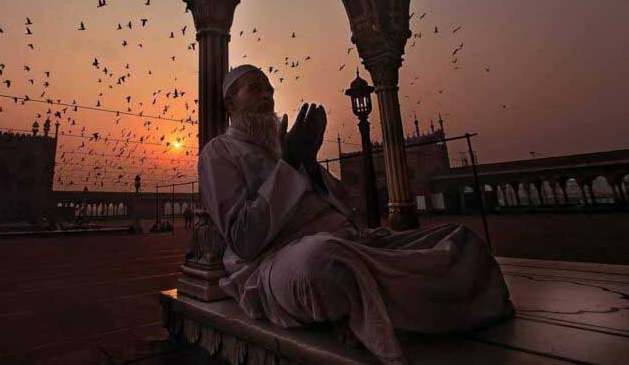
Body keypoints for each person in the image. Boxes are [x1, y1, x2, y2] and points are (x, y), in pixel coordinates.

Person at [198, 65, 514, 365]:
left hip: (353, 244)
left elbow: (341, 205)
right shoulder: (219, 152)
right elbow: (243, 238)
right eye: (255, 90)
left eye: (268, 89)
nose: (267, 96)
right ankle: (367, 304)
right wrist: (291, 163)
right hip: (277, 261)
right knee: (324, 263)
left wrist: (306, 162)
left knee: (461, 240)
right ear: (230, 103)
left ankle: (358, 307)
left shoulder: (285, 149)